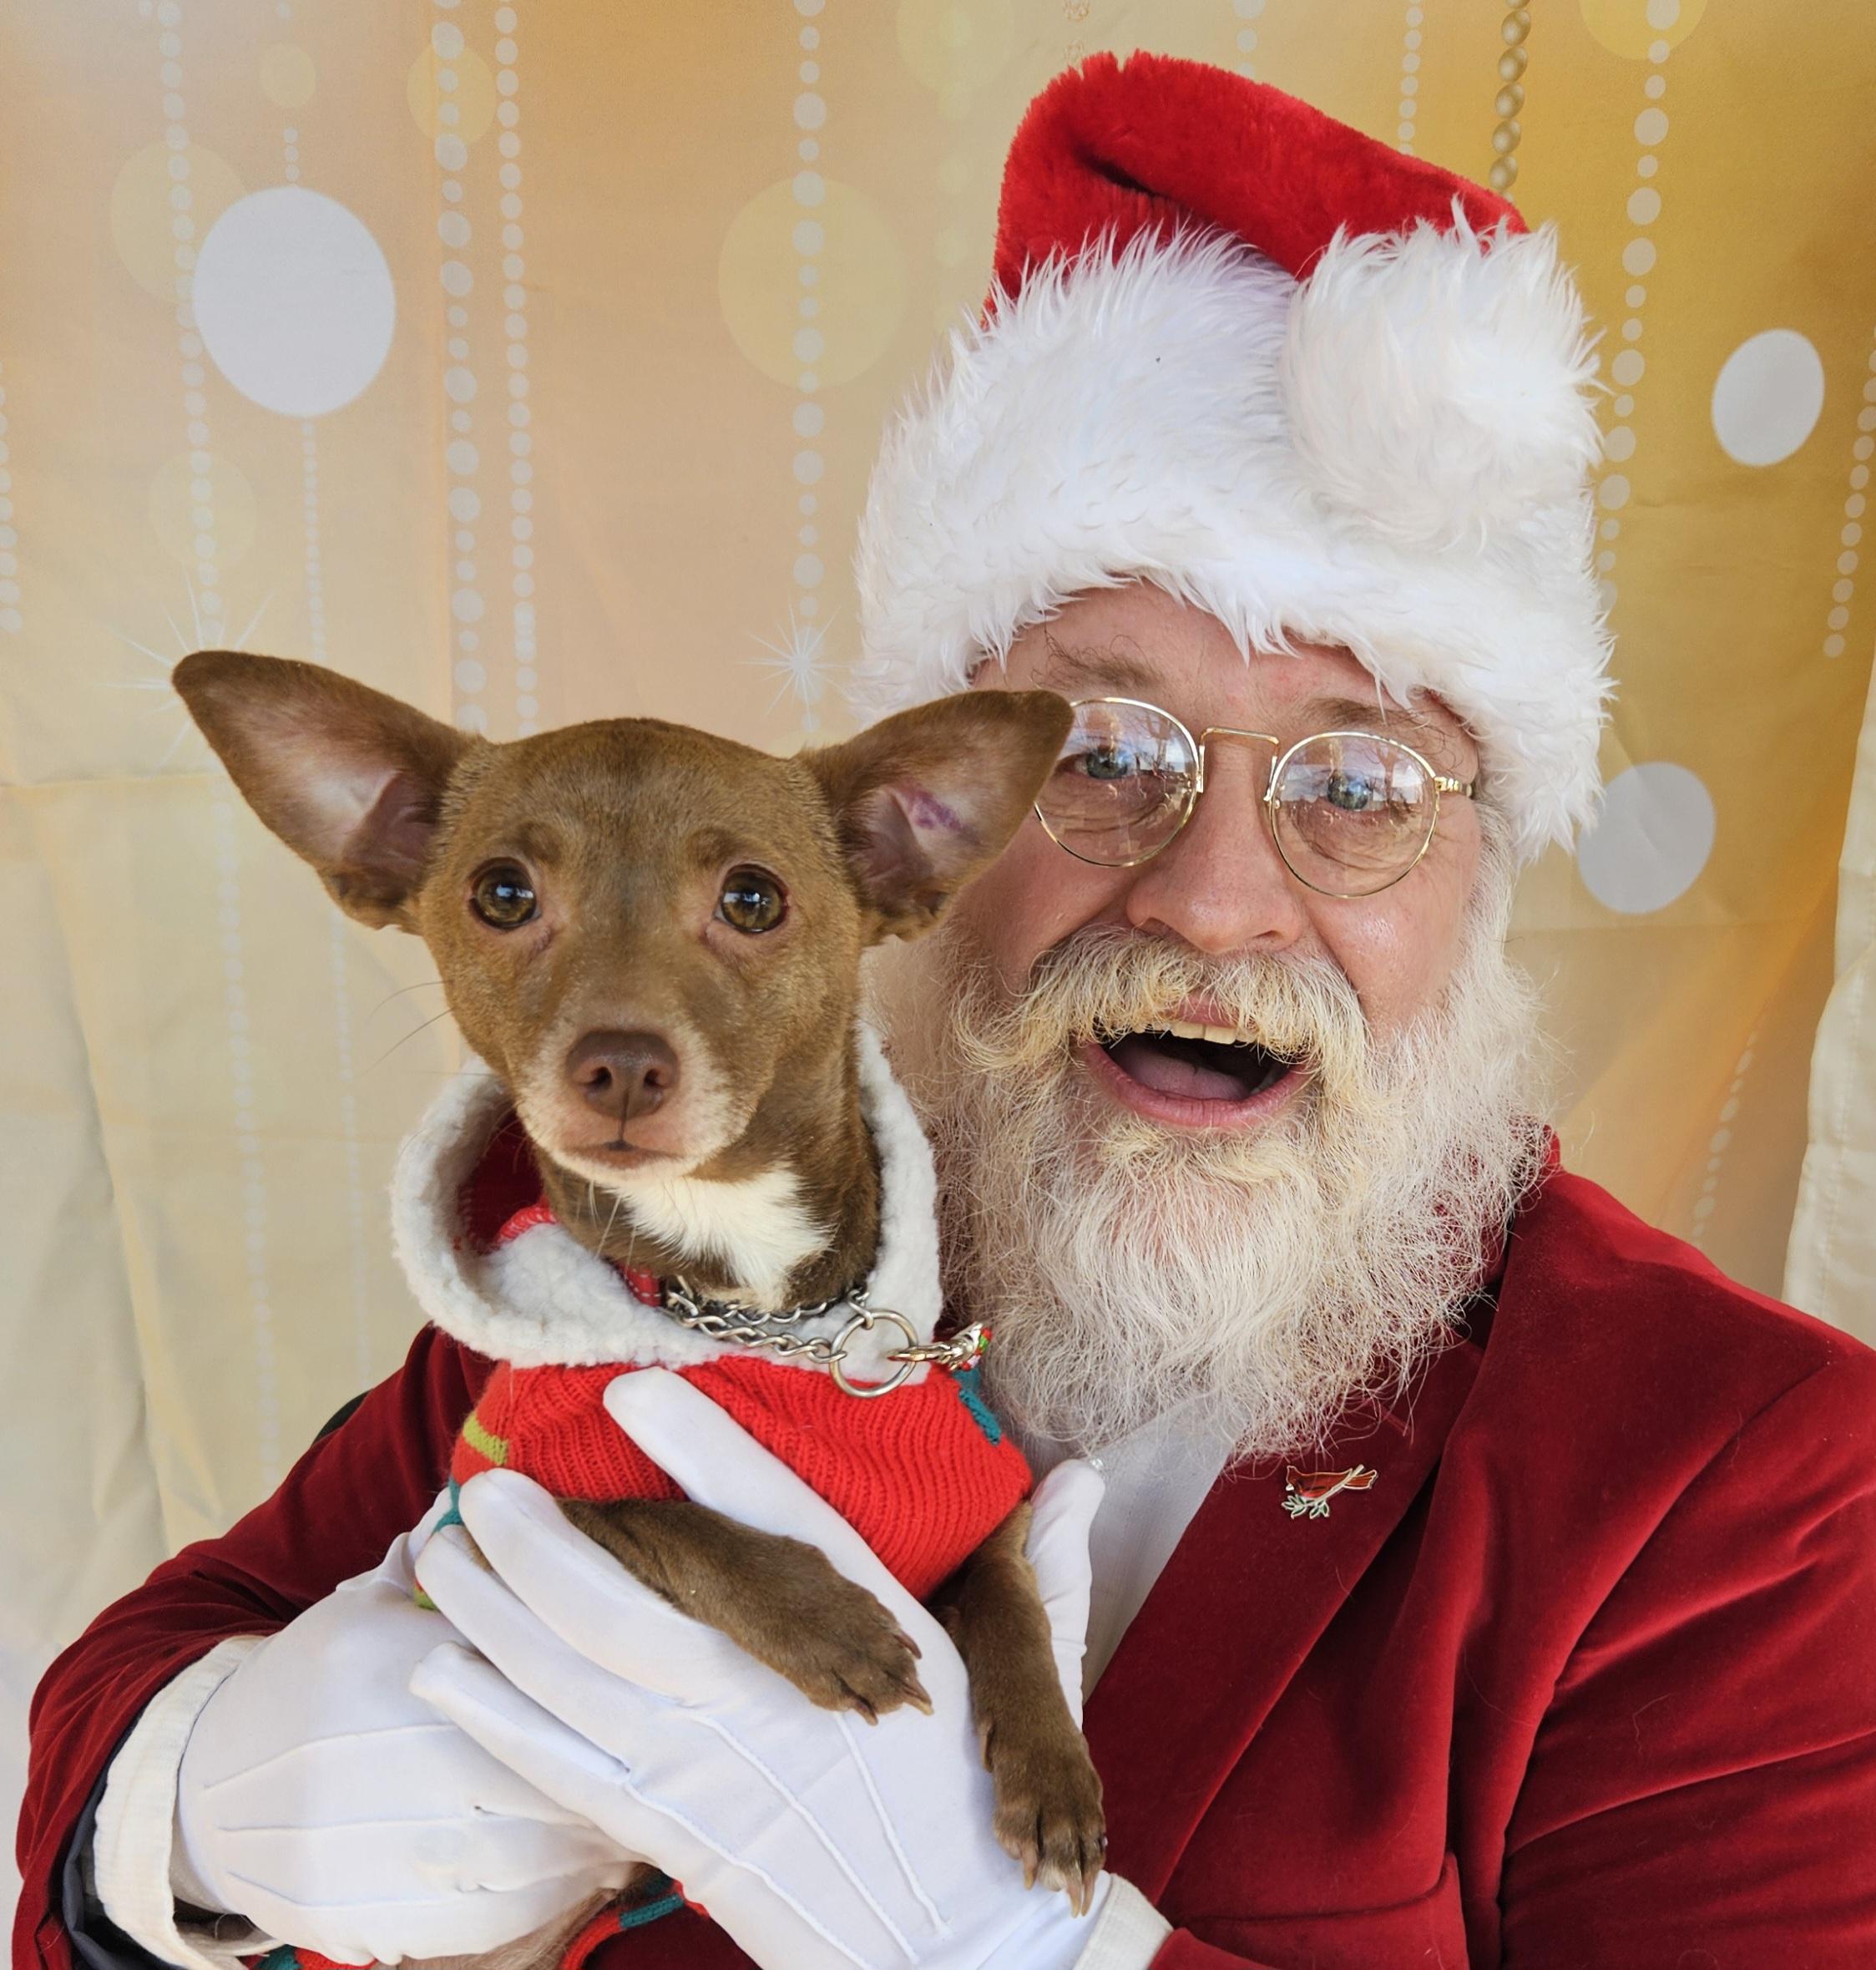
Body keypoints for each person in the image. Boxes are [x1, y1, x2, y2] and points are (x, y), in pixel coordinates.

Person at [19, 51, 1876, 1970]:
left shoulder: (1743, 1482)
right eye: (1098, 749)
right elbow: (116, 1722)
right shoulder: (642, 1263)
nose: (1214, 896)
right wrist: (208, 1806)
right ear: (925, 832)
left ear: (1484, 877)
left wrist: (1009, 1945)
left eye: (1356, 787)